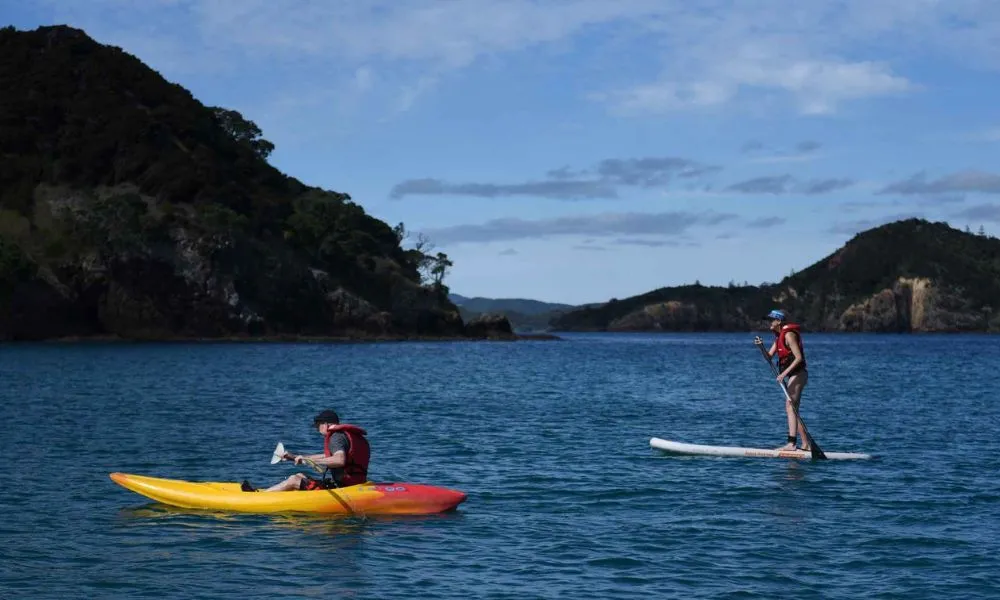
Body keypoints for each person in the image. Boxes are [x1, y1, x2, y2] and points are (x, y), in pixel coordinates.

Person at [242, 409, 371, 492]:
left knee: (294, 480)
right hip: (354, 485)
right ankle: (266, 492)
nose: (317, 429)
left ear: (326, 424)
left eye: (318, 426)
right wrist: (295, 457)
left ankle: (260, 497)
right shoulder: (344, 436)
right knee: (299, 476)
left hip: (345, 489)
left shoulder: (336, 437)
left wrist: (311, 461)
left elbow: (339, 460)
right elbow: (327, 456)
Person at [756, 309, 809, 451]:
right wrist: (761, 347)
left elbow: (798, 358)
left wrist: (783, 373)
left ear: (779, 321)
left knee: (790, 406)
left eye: (771, 320)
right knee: (793, 409)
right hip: (792, 375)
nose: (768, 322)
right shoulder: (778, 337)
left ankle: (791, 444)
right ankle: (806, 444)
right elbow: (769, 358)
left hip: (799, 374)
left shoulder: (789, 335)